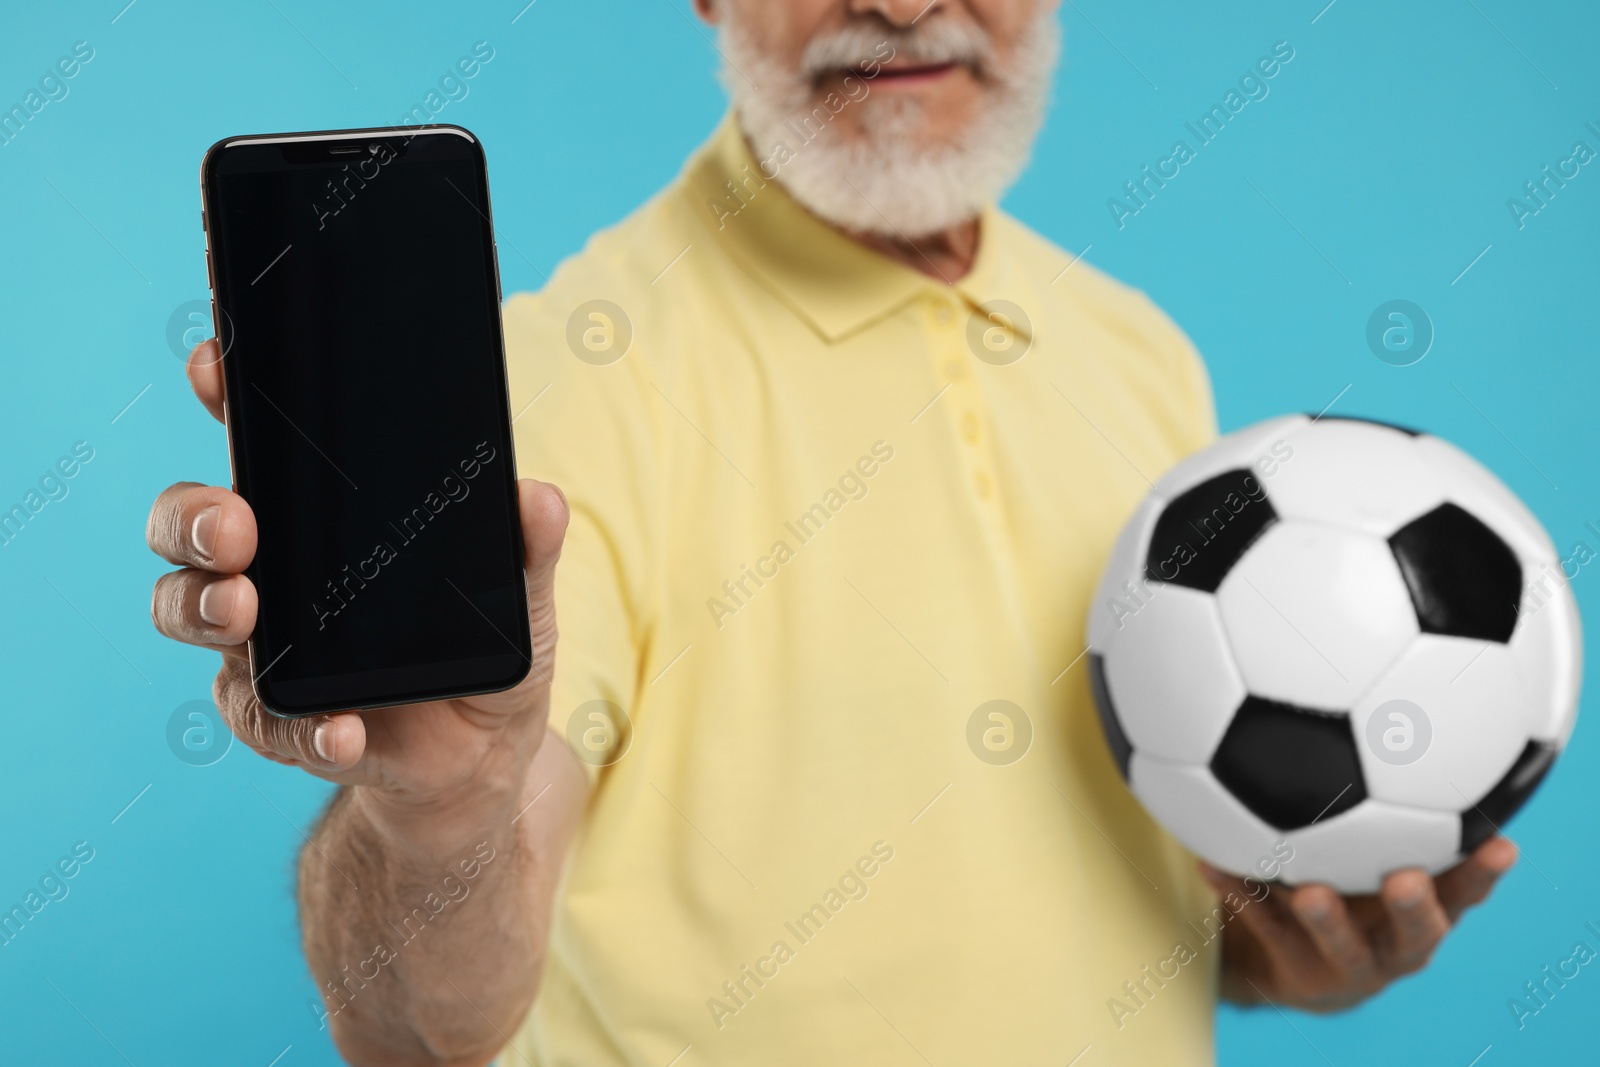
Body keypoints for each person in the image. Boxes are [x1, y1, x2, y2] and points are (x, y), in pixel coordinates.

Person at [146, 1, 1518, 1063]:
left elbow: (1104, 922)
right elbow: (422, 1025)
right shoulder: (563, 390)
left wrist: (1291, 951)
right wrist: (440, 814)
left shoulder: (1138, 355)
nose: (908, 2)